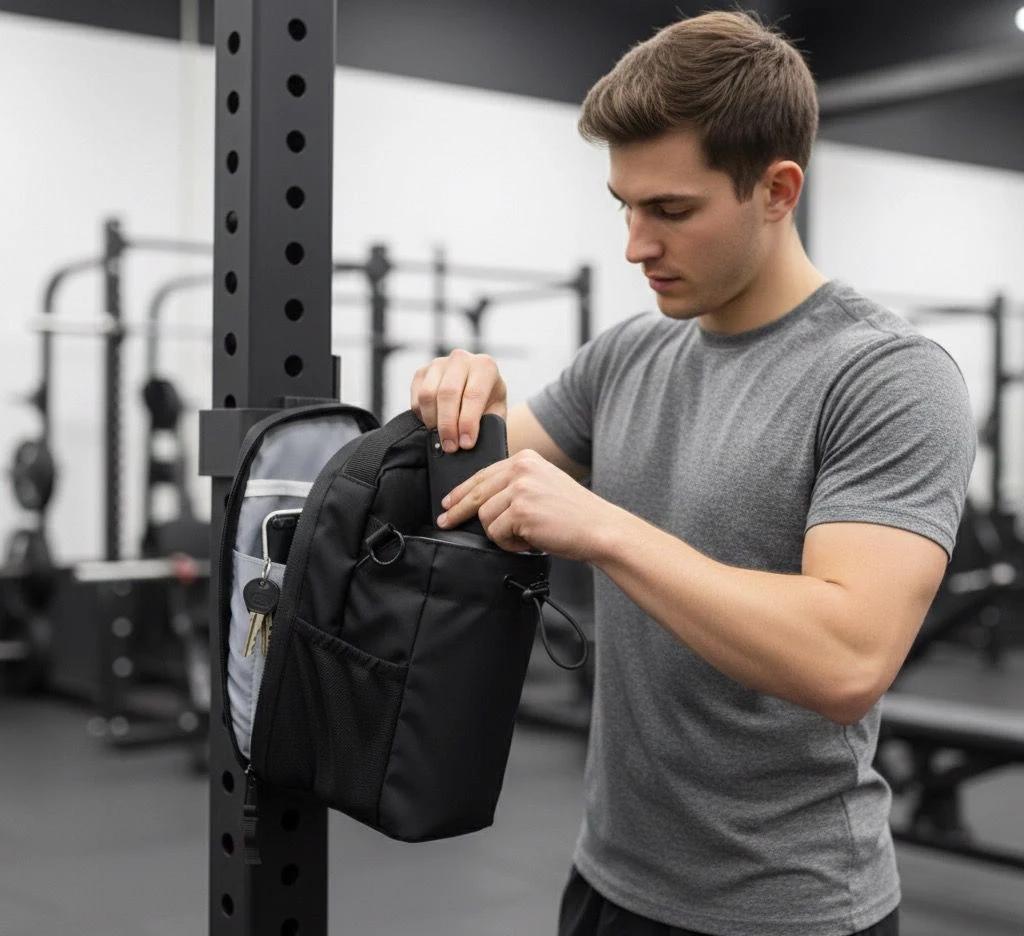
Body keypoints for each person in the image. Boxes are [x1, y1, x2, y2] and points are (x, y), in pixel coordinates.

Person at [409, 10, 975, 936]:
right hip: (608, 881)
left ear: (777, 190)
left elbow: (847, 659)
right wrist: (465, 405)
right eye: (625, 206)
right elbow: (464, 488)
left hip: (787, 909)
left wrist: (605, 527)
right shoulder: (628, 354)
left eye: (670, 210)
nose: (635, 245)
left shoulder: (887, 378)